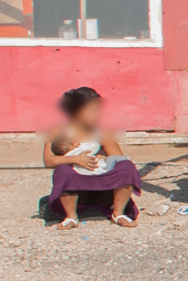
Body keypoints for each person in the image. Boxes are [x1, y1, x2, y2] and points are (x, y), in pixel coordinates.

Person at [42, 86, 143, 229]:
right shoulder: (58, 130)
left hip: (104, 188)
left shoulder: (102, 131)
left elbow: (118, 159)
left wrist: (101, 157)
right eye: (91, 110)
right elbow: (49, 160)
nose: (96, 115)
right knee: (63, 171)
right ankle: (71, 217)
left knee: (126, 166)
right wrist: (75, 159)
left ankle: (118, 213)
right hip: (77, 188)